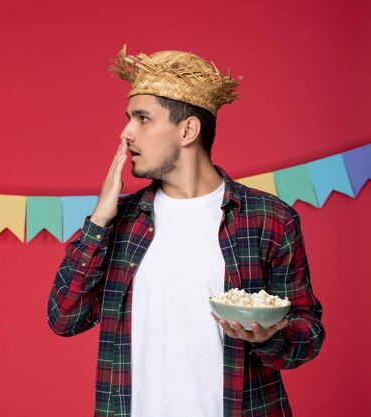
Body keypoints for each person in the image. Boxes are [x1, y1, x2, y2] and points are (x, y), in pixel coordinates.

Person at [47, 45, 324, 417]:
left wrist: (271, 336)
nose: (126, 133)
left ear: (188, 130)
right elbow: (64, 318)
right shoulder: (120, 222)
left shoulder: (269, 219)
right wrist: (98, 220)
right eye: (129, 118)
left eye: (142, 118)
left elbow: (309, 333)